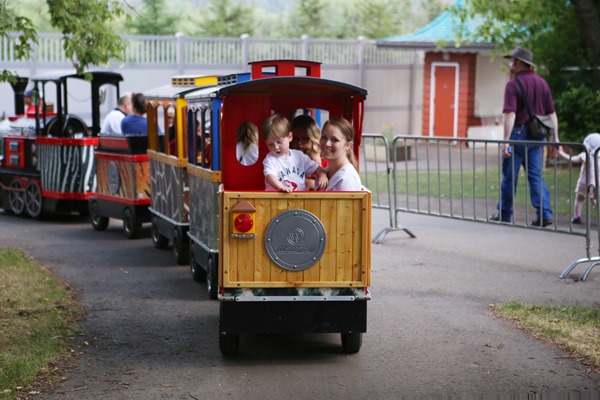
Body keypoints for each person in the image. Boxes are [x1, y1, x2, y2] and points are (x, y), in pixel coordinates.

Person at [490, 47, 559, 227]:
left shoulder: (512, 85)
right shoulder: (542, 83)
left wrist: (506, 141)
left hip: (518, 134)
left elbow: (510, 114)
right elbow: (552, 114)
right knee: (536, 176)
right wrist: (556, 138)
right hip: (538, 137)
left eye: (512, 61)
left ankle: (504, 214)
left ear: (519, 63)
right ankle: (544, 214)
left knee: (509, 177)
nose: (510, 64)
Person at [261, 114, 327, 192]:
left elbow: (317, 168)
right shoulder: (270, 159)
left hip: (297, 198)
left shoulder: (299, 156)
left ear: (290, 137)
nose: (276, 147)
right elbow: (270, 175)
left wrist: (322, 175)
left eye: (279, 142)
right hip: (277, 199)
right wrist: (280, 187)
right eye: (270, 144)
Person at [558, 133, 600, 224]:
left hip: (585, 183)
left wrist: (561, 153)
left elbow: (572, 159)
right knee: (595, 200)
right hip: (596, 183)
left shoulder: (585, 155)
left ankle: (577, 216)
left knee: (579, 198)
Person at [320, 118, 363, 191]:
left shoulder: (346, 179)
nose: (327, 143)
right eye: (324, 137)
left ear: (348, 145)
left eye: (335, 140)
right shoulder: (325, 171)